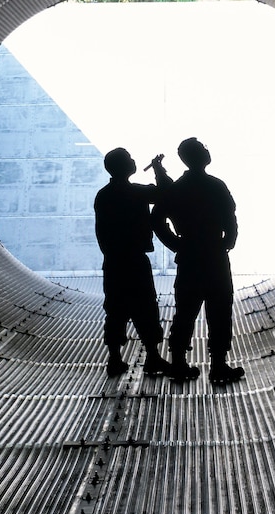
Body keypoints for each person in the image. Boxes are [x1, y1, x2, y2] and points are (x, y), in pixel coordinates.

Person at [152, 136, 244, 386]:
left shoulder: (177, 189)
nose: (207, 150)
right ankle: (218, 365)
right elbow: (230, 216)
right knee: (220, 309)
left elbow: (157, 219)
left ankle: (179, 363)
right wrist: (229, 241)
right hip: (215, 255)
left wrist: (176, 243)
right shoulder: (216, 185)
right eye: (203, 148)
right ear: (197, 156)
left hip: (191, 255)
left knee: (186, 312)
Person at [93, 147, 173, 378]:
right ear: (123, 166)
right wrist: (158, 168)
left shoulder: (104, 195)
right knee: (145, 307)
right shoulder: (136, 192)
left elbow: (101, 232)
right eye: (129, 159)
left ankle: (115, 359)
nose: (133, 160)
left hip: (114, 261)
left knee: (115, 309)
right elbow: (165, 193)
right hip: (136, 260)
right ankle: (152, 357)